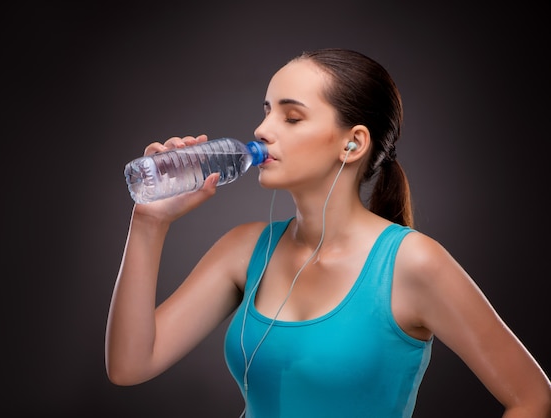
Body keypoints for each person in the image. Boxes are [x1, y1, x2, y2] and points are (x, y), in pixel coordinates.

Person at [105, 48, 551, 417]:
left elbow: (532, 397)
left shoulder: (413, 263)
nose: (262, 130)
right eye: (266, 112)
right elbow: (130, 365)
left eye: (291, 118)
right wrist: (149, 222)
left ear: (353, 143)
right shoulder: (242, 250)